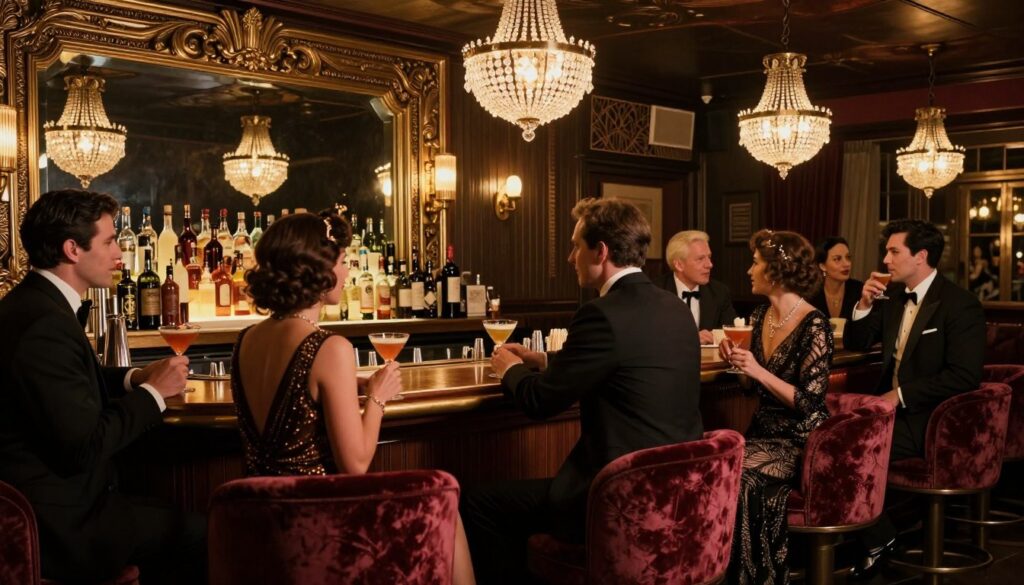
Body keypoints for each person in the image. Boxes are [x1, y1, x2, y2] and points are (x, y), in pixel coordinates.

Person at [463, 197, 704, 583]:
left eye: (576, 245)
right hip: (681, 499)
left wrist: (509, 370)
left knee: (479, 503)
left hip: (618, 502)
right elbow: (627, 364)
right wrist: (544, 361)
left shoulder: (600, 314)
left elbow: (539, 401)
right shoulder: (674, 308)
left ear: (601, 251)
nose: (570, 256)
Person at [234, 211, 475, 584]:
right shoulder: (330, 347)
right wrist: (377, 396)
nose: (346, 272)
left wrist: (347, 385)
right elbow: (356, 464)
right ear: (319, 269)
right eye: (343, 261)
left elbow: (295, 396)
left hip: (256, 525)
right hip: (318, 529)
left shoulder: (246, 340)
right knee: (447, 509)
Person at [0, 189, 206, 584]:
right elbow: (84, 446)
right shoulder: (43, 325)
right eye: (110, 242)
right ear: (72, 249)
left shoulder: (34, 305)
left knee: (172, 513)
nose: (120, 255)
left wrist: (135, 378)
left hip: (65, 505)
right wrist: (153, 395)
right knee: (203, 533)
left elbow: (71, 384)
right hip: (58, 527)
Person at [843, 219, 985, 580]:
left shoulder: (960, 304)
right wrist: (863, 303)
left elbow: (964, 375)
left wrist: (899, 395)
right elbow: (856, 343)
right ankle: (878, 533)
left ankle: (874, 536)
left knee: (847, 448)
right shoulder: (891, 297)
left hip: (931, 419)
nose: (885, 260)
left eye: (894, 251)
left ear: (920, 256)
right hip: (888, 413)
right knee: (830, 437)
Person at [718, 229, 832, 585]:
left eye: (755, 263)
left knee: (734, 477)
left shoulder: (815, 324)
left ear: (776, 269)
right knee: (720, 467)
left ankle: (757, 578)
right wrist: (738, 365)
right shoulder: (758, 315)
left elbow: (808, 401)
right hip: (763, 431)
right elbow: (749, 388)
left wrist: (756, 369)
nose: (749, 271)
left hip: (801, 437)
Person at [658, 229, 739, 344]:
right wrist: (690, 339)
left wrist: (715, 339)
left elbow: (732, 334)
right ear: (679, 265)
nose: (710, 265)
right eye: (700, 259)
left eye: (709, 257)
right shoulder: (655, 292)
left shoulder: (719, 292)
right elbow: (649, 337)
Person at [808, 236, 863, 319]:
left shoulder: (860, 290)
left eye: (848, 257)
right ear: (823, 266)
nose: (846, 264)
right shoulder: (811, 293)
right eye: (837, 259)